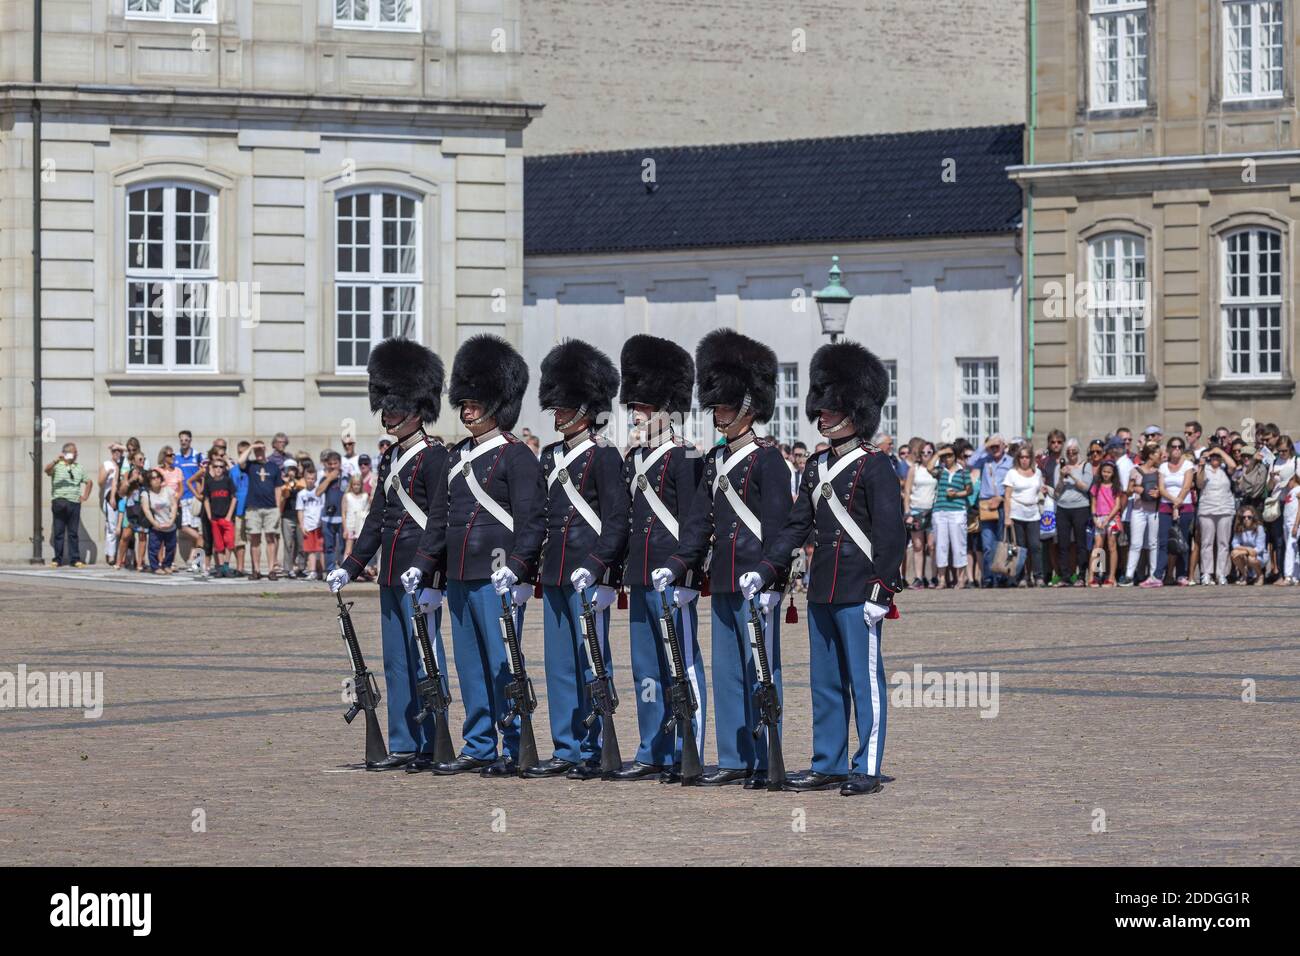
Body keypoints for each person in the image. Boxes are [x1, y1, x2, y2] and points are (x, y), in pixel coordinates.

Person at [740, 340, 905, 796]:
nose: (823, 415)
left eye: (833, 408)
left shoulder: (875, 466)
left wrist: (883, 589)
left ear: (855, 410)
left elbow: (892, 534)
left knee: (864, 682)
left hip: (860, 590)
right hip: (823, 589)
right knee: (825, 682)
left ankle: (867, 765)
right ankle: (828, 761)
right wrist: (768, 568)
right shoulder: (815, 467)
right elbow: (797, 526)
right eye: (823, 407)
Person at [653, 328, 792, 789]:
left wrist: (773, 580)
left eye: (725, 407)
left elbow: (780, 529)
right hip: (726, 580)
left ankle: (766, 756)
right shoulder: (714, 462)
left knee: (761, 673)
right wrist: (675, 565)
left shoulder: (768, 460)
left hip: (758, 583)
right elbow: (699, 524)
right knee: (729, 673)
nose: (718, 416)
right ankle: (734, 757)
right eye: (715, 407)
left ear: (748, 408)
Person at [405, 334, 544, 778]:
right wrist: (429, 573)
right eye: (462, 402)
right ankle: (480, 743)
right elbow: (441, 520)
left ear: (495, 404)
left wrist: (521, 571)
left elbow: (531, 520)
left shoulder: (516, 455)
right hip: (462, 575)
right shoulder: (457, 456)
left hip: (498, 575)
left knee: (504, 663)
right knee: (469, 665)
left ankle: (517, 740)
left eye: (474, 402)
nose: (466, 410)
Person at [508, 340, 629, 780]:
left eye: (563, 405)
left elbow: (617, 520)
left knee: (592, 662)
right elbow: (538, 518)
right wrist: (523, 566)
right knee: (559, 666)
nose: (555, 412)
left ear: (585, 407)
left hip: (586, 575)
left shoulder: (604, 455)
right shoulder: (550, 456)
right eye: (554, 404)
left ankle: (597, 743)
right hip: (556, 571)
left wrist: (600, 569)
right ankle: (567, 746)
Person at [330, 338, 452, 773]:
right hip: (391, 576)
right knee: (397, 661)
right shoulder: (390, 458)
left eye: (396, 408)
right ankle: (403, 740)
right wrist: (350, 565)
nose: (388, 416)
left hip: (419, 578)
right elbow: (378, 520)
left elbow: (439, 522)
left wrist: (432, 576)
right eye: (386, 408)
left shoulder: (435, 458)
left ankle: (434, 737)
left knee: (426, 658)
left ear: (418, 409)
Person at [611, 334, 706, 783]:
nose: (635, 413)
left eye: (644, 407)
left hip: (672, 578)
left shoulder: (686, 455)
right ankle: (653, 749)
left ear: (667, 409)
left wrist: (687, 573)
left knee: (679, 665)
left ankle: (690, 748)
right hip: (641, 576)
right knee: (646, 670)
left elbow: (694, 521)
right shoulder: (635, 459)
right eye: (634, 405)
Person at [1003, 444, 1047, 586]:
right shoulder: (1012, 473)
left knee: (1035, 546)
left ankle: (1038, 576)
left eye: (1027, 457)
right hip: (1017, 512)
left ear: (1031, 458)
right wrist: (1007, 517)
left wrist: (1043, 490)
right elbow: (1007, 496)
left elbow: (1039, 489)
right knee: (1020, 547)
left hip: (1033, 512)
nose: (1024, 460)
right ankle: (1021, 577)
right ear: (1018, 458)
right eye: (1021, 457)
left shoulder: (1037, 472)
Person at [1154, 435, 1196, 586]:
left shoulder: (1188, 465)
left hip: (1185, 507)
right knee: (1164, 542)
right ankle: (1158, 575)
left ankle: (1181, 574)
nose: (1176, 449)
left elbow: (1186, 486)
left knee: (1182, 542)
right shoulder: (1163, 466)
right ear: (1169, 449)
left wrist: (1178, 504)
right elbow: (1161, 488)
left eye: (1179, 447)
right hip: (1166, 506)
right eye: (1174, 447)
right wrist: (1173, 503)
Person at [238, 439, 282, 580]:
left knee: (270, 538)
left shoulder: (273, 467)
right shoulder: (250, 465)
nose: (258, 452)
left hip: (270, 508)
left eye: (260, 450)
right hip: (253, 508)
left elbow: (278, 488)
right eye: (256, 450)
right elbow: (240, 461)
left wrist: (278, 508)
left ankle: (271, 569)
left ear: (265, 450)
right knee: (254, 539)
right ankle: (256, 570)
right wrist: (251, 446)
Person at [45, 442, 91, 568]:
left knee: (73, 533)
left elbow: (88, 482)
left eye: (76, 452)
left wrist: (85, 496)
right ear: (66, 453)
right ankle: (57, 559)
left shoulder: (79, 467)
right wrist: (56, 460)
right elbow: (46, 470)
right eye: (74, 452)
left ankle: (75, 559)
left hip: (74, 503)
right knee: (58, 532)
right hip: (59, 501)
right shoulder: (57, 466)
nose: (76, 454)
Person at [1195, 446, 1237, 586]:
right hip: (1207, 508)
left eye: (1216, 457)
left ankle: (1221, 573)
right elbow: (1200, 483)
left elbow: (1233, 465)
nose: (1214, 459)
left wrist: (1219, 451)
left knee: (1223, 543)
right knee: (1207, 542)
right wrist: (1201, 465)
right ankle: (1206, 573)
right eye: (1212, 457)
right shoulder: (1204, 469)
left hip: (1225, 508)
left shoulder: (1225, 468)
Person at [931, 444, 971, 588]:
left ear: (955, 456)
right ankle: (941, 578)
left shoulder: (963, 472)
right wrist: (939, 452)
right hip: (940, 511)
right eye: (945, 456)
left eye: (949, 455)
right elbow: (929, 468)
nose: (947, 458)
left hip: (957, 511)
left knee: (958, 545)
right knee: (941, 545)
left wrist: (956, 494)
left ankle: (961, 578)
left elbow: (969, 490)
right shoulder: (940, 471)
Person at [975, 435, 1013, 587]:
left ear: (1004, 446)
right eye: (993, 446)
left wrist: (1001, 498)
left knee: (1002, 543)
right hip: (986, 504)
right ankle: (989, 577)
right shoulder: (985, 460)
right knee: (987, 544)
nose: (995, 449)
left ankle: (1001, 576)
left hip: (1003, 504)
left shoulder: (1010, 461)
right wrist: (986, 446)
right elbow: (970, 462)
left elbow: (1014, 484)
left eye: (998, 446)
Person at [1053, 439, 1092, 586]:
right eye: (1069, 452)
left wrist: (1073, 476)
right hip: (1063, 508)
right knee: (1063, 544)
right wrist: (1062, 477)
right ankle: (1065, 576)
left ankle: (1081, 575)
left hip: (1080, 507)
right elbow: (1056, 492)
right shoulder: (1059, 468)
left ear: (1078, 452)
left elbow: (1085, 487)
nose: (1071, 455)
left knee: (1081, 543)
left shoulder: (1085, 466)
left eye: (1074, 452)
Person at [1125, 442, 1163, 587]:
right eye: (1158, 454)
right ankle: (1129, 575)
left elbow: (1162, 489)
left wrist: (1158, 493)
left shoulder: (1160, 472)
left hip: (1154, 509)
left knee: (1153, 543)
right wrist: (1137, 489)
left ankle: (1153, 574)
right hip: (1138, 509)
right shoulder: (1135, 470)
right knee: (1136, 543)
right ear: (1151, 455)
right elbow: (1128, 490)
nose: (1160, 456)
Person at [902, 439, 937, 588]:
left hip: (932, 510)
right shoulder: (914, 469)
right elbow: (907, 491)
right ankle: (918, 577)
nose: (926, 455)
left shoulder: (936, 469)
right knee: (917, 545)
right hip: (916, 510)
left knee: (932, 545)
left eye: (929, 452)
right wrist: (907, 512)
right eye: (923, 452)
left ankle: (934, 577)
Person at [1264, 435, 1297, 584]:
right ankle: (1282, 574)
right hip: (1277, 502)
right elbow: (1269, 487)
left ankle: (1293, 574)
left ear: (1290, 448)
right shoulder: (1274, 462)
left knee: (1292, 538)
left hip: (1293, 502)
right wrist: (1271, 478)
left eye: (1284, 450)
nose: (1282, 453)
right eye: (1279, 451)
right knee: (1278, 541)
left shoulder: (1296, 461)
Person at [200, 454, 238, 578]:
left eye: (221, 467)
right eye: (215, 466)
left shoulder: (227, 480)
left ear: (224, 468)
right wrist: (210, 516)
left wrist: (228, 516)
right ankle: (220, 567)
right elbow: (206, 499)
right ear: (212, 467)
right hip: (215, 518)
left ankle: (226, 565)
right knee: (219, 544)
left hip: (226, 518)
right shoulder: (209, 482)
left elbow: (234, 498)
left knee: (229, 543)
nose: (218, 469)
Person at [1087, 458, 1124, 586]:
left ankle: (1111, 577)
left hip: (1112, 518)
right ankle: (1093, 576)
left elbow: (1117, 505)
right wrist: (1095, 518)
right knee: (1098, 546)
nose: (1106, 474)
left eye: (1109, 472)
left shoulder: (1115, 487)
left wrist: (1108, 519)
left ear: (1113, 473)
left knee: (1112, 546)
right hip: (1099, 518)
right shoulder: (1096, 486)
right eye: (1104, 471)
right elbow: (1093, 503)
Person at [174, 430, 206, 571]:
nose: (184, 442)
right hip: (182, 497)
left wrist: (201, 492)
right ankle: (200, 542)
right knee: (184, 526)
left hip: (194, 498)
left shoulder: (197, 456)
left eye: (186, 440)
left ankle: (196, 563)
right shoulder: (176, 457)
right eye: (181, 440)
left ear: (190, 440)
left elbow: (204, 474)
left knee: (194, 528)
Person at [115, 450, 150, 571]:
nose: (142, 461)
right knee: (126, 535)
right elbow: (121, 492)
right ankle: (119, 561)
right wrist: (131, 480)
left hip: (142, 509)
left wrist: (142, 480)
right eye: (140, 459)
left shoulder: (147, 474)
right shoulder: (127, 473)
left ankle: (140, 563)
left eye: (143, 459)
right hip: (130, 509)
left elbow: (151, 488)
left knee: (142, 536)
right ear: (133, 461)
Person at [141, 469, 178, 573]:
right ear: (149, 481)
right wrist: (154, 523)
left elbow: (174, 505)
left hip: (170, 525)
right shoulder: (146, 494)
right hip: (156, 526)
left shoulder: (168, 490)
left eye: (157, 477)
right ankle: (155, 567)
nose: (156, 480)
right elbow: (146, 510)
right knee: (154, 548)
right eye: (153, 478)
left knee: (171, 547)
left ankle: (167, 565)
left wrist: (171, 521)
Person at [316, 451, 346, 573]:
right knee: (329, 547)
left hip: (343, 518)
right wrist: (329, 479)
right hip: (328, 519)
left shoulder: (346, 477)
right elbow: (317, 493)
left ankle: (345, 570)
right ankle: (330, 570)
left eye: (335, 463)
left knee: (343, 546)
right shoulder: (325, 478)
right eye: (330, 464)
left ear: (340, 463)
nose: (333, 466)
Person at [276, 459, 306, 579]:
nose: (291, 472)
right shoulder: (282, 484)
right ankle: (288, 569)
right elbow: (283, 498)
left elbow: (304, 489)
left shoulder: (301, 483)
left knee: (301, 544)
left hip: (300, 517)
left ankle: (301, 567)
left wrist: (295, 482)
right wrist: (287, 485)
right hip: (287, 516)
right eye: (289, 469)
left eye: (293, 469)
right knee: (288, 544)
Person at [99, 442, 127, 566]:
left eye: (119, 451)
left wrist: (118, 447)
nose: (117, 453)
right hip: (111, 497)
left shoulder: (125, 462)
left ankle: (124, 556)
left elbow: (135, 450)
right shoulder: (107, 464)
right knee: (112, 526)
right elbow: (100, 482)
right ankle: (111, 555)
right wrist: (107, 472)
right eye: (115, 451)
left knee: (124, 527)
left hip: (124, 496)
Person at [297, 463, 325, 581]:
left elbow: (323, 506)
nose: (310, 480)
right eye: (308, 478)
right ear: (304, 478)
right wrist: (302, 525)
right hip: (308, 526)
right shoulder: (301, 494)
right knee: (311, 551)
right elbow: (300, 510)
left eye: (312, 478)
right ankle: (312, 571)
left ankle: (323, 571)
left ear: (316, 479)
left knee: (320, 549)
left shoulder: (320, 492)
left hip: (319, 525)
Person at [341, 472, 370, 572]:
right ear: (351, 485)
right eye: (354, 484)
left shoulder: (365, 496)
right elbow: (344, 513)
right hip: (350, 524)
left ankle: (359, 571)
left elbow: (367, 511)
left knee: (360, 548)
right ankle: (345, 570)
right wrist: (345, 529)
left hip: (361, 525)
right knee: (348, 549)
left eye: (358, 484)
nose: (356, 486)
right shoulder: (347, 496)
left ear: (361, 485)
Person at [1230, 506, 1267, 584]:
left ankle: (1260, 575)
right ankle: (1244, 575)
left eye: (1249, 517)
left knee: (1251, 558)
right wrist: (1247, 549)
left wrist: (1245, 552)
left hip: (1259, 556)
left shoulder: (1259, 528)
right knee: (1234, 553)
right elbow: (1234, 543)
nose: (1246, 519)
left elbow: (1259, 548)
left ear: (1253, 518)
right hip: (1245, 554)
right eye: (1244, 517)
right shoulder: (1240, 528)